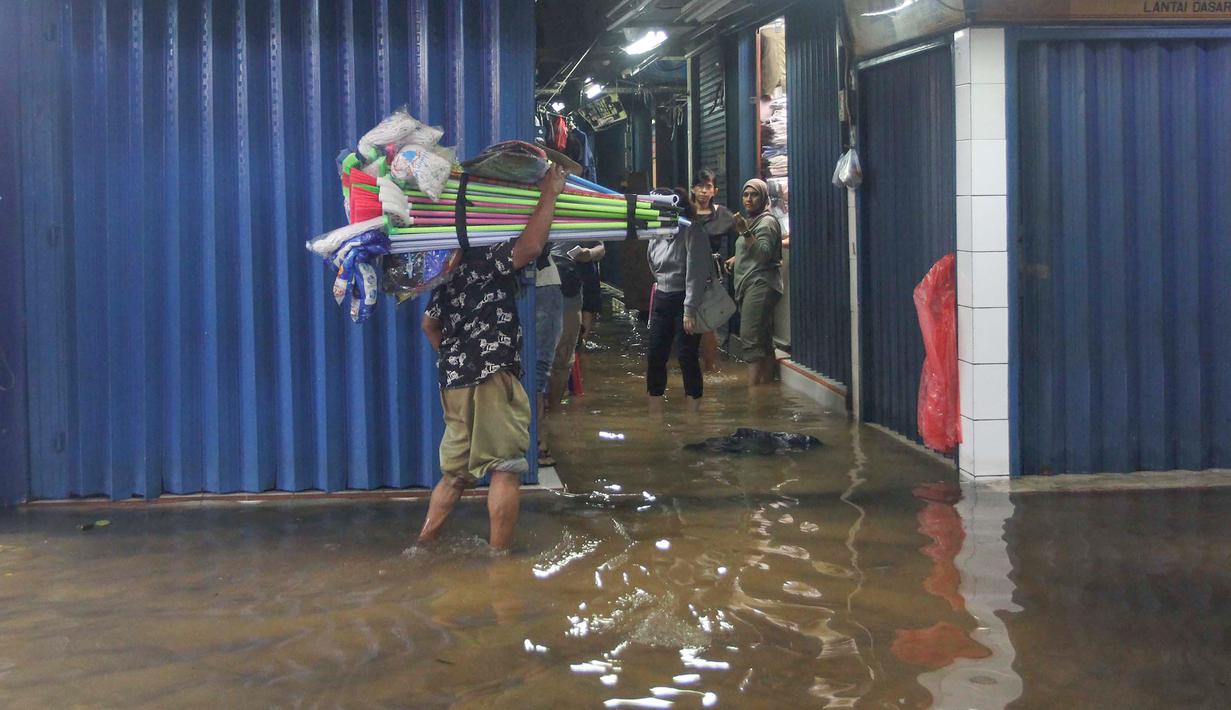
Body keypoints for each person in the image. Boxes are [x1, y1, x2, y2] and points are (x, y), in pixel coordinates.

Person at [418, 164, 567, 552]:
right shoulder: (487, 253)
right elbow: (531, 247)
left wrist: (456, 360)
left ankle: (423, 547)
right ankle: (499, 563)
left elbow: (428, 326)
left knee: (455, 475)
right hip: (491, 376)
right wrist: (549, 192)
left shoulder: (446, 269)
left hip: (454, 381)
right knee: (506, 466)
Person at [645, 187, 711, 411]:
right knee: (655, 355)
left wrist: (689, 310)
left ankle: (693, 410)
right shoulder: (657, 233)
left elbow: (697, 272)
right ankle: (655, 410)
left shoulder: (692, 231)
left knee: (686, 355)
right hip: (662, 297)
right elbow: (653, 265)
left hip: (685, 298)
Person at [726, 178, 783, 386]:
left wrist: (744, 231)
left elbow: (764, 255)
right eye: (746, 194)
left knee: (750, 339)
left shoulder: (766, 222)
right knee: (764, 341)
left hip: (760, 284)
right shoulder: (753, 220)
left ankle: (753, 396)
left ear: (764, 197)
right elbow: (751, 249)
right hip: (752, 283)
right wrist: (736, 258)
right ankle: (766, 392)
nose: (748, 199)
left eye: (754, 195)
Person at [688, 169, 738, 371]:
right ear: (693, 189)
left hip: (711, 277)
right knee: (688, 322)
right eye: (699, 186)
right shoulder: (685, 213)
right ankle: (691, 366)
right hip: (686, 274)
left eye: (708, 186)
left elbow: (742, 232)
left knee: (709, 323)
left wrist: (737, 256)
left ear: (715, 190)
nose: (703, 191)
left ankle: (710, 367)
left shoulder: (723, 214)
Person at [547, 240, 605, 411]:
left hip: (569, 282)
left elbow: (600, 248)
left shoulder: (580, 217)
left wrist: (588, 254)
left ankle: (551, 411)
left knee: (563, 357)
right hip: (540, 282)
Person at [533, 249, 564, 467]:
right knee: (539, 365)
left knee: (536, 366)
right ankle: (538, 442)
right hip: (542, 285)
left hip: (537, 283)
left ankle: (537, 441)